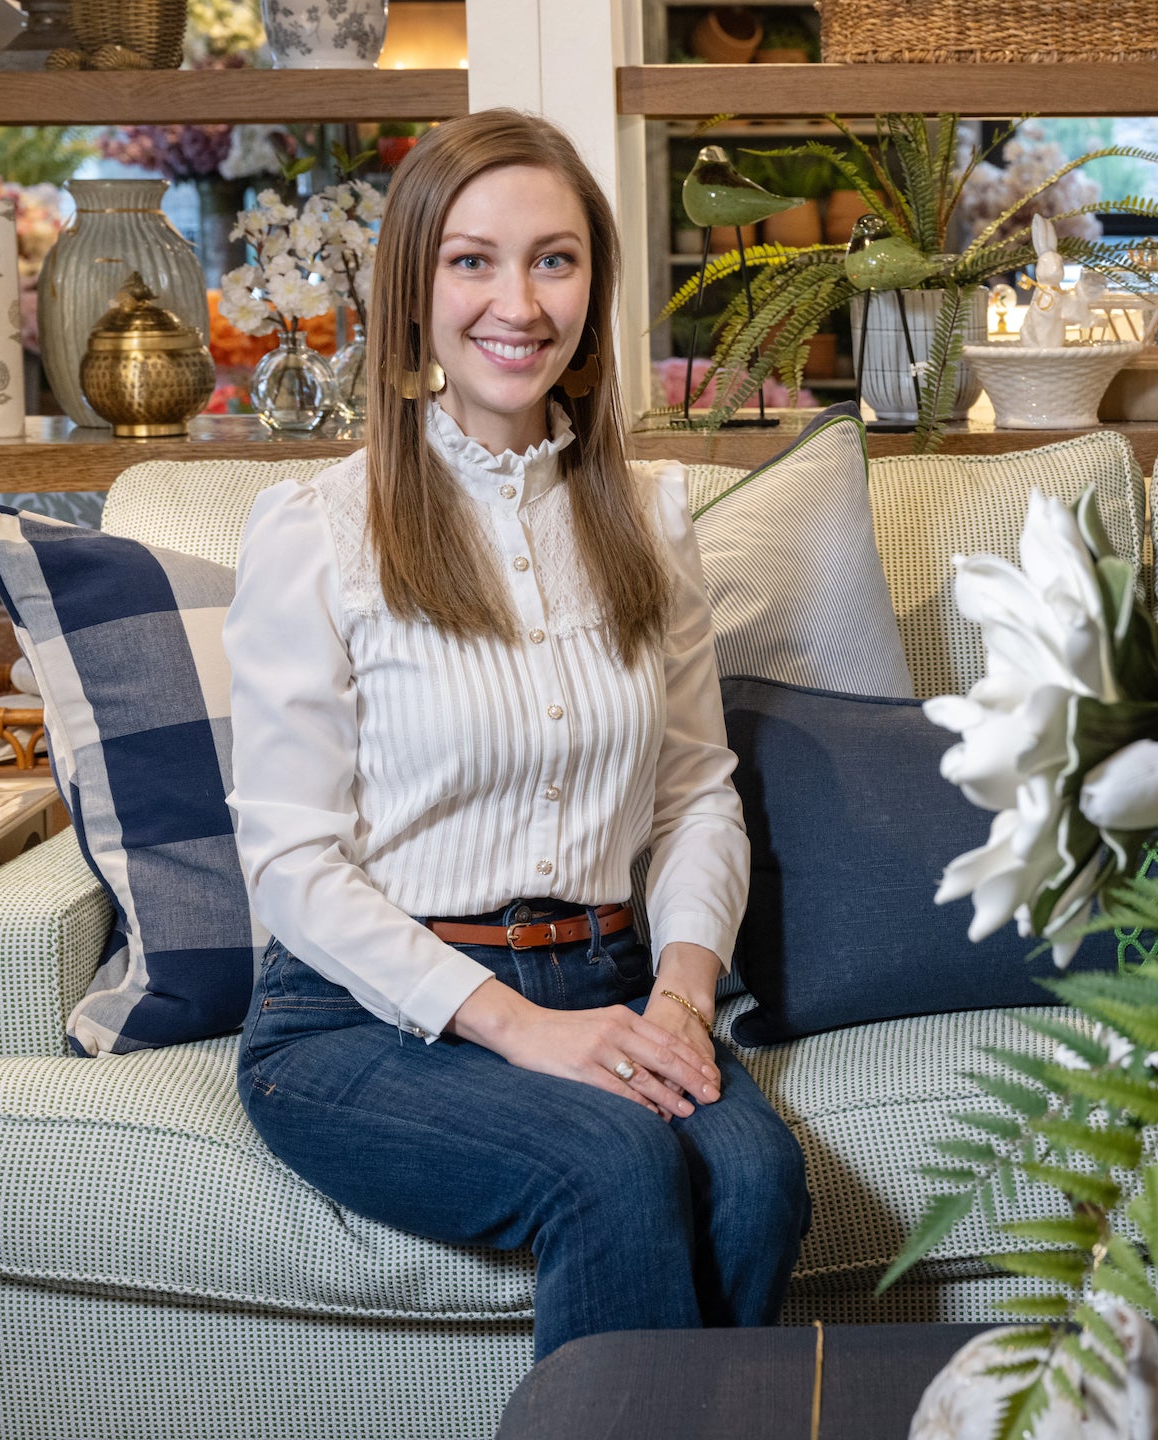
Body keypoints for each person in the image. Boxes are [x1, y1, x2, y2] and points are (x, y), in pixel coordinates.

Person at [225, 108, 808, 1362]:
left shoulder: (652, 521)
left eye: (555, 259)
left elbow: (695, 794)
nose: (520, 302)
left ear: (595, 287)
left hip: (610, 977)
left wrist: (682, 994)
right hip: (358, 1023)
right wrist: (520, 1028)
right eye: (472, 260)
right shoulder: (320, 530)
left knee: (760, 1179)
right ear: (417, 286)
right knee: (610, 1166)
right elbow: (288, 863)